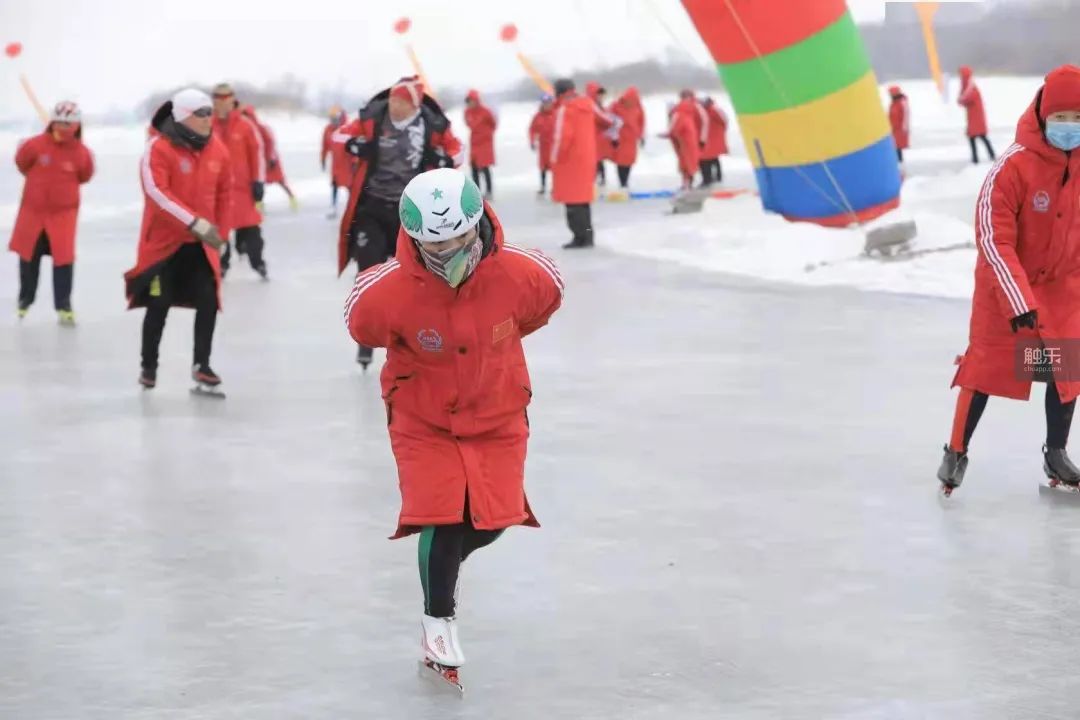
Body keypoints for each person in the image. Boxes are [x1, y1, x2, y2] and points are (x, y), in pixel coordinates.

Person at [343, 167, 563, 688]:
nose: (449, 253)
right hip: (423, 416)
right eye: (434, 245)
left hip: (497, 410)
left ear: (477, 223)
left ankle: (443, 564)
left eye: (460, 239)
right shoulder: (386, 289)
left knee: (492, 519)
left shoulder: (524, 273)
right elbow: (361, 324)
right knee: (441, 513)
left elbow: (544, 301)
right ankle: (437, 621)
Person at [938, 65, 1080, 495]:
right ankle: (956, 451)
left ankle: (1056, 453)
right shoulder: (1012, 168)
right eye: (1060, 119)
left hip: (1060, 291)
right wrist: (1019, 302)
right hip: (1005, 292)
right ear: (1042, 117)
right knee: (987, 368)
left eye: (1077, 119)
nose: (1069, 128)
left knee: (1066, 368)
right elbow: (993, 238)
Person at [332, 76, 464, 366]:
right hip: (372, 205)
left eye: (401, 101)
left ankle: (418, 334)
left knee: (416, 273)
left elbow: (459, 150)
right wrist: (355, 144)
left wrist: (444, 159)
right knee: (368, 269)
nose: (395, 105)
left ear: (414, 105)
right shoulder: (373, 117)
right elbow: (338, 135)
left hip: (411, 210)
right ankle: (366, 336)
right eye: (392, 99)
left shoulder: (432, 124)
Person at [123, 88, 231, 393]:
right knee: (159, 304)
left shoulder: (217, 150)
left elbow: (225, 193)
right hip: (164, 247)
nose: (209, 118)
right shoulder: (158, 148)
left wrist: (222, 233)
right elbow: (157, 193)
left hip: (200, 246)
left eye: (210, 112)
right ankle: (149, 366)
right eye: (201, 113)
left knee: (209, 301)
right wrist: (193, 222)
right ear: (183, 116)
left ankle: (202, 366)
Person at [9, 101, 94, 325]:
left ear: (77, 125)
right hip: (33, 214)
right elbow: (21, 163)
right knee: (29, 258)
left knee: (63, 262)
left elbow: (85, 175)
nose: (65, 127)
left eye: (69, 123)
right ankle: (25, 299)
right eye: (61, 122)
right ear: (52, 122)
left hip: (63, 217)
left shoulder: (81, 153)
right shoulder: (35, 146)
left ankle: (64, 306)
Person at [211, 83, 268, 279]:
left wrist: (258, 182)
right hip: (217, 191)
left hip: (243, 189)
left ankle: (258, 262)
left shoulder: (245, 125)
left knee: (252, 229)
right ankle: (221, 265)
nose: (221, 102)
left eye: (225, 97)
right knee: (219, 232)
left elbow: (257, 154)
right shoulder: (208, 125)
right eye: (217, 98)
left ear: (232, 99)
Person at [550, 78, 599, 249]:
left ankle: (579, 236)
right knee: (583, 203)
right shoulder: (587, 105)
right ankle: (587, 234)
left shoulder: (567, 109)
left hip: (570, 163)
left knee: (572, 204)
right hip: (586, 160)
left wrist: (554, 160)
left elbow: (562, 138)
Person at [241, 104, 297, 211]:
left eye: (246, 115)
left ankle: (292, 198)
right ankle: (259, 204)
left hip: (271, 161)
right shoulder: (246, 130)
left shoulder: (262, 128)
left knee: (281, 181)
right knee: (258, 183)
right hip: (259, 162)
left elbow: (271, 142)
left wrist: (271, 158)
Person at [321, 105, 355, 218]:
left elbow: (355, 147)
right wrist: (323, 159)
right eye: (331, 119)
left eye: (334, 119)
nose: (333, 121)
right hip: (336, 165)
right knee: (334, 186)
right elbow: (325, 146)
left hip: (347, 165)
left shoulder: (349, 128)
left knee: (350, 187)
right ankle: (333, 207)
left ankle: (352, 210)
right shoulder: (328, 130)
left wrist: (355, 162)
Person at [663, 92, 701, 191]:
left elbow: (673, 129)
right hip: (684, 141)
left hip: (685, 142)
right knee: (687, 162)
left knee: (687, 162)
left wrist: (667, 134)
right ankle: (687, 183)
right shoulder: (685, 113)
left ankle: (687, 183)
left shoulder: (678, 114)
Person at [463, 89, 497, 199]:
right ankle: (476, 192)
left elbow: (493, 123)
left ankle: (489, 191)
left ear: (476, 100)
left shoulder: (485, 111)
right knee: (474, 168)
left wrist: (487, 134)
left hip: (485, 143)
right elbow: (468, 123)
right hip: (474, 143)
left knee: (485, 167)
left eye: (471, 101)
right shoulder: (467, 112)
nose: (470, 103)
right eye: (468, 101)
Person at [958, 65, 995, 164]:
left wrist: (960, 100)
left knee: (978, 136)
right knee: (977, 136)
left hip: (976, 116)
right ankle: (982, 157)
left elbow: (966, 98)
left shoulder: (971, 87)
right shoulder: (968, 85)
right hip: (973, 115)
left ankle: (979, 159)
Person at [611, 87, 645, 189]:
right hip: (620, 137)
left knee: (630, 161)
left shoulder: (638, 107)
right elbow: (608, 119)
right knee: (621, 161)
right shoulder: (616, 106)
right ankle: (623, 183)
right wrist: (613, 137)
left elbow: (641, 121)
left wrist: (641, 135)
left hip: (632, 139)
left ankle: (625, 181)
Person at [528, 94, 556, 195]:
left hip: (554, 146)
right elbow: (532, 129)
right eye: (545, 103)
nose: (547, 105)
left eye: (548, 103)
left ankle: (555, 187)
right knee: (543, 168)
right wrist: (532, 141)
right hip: (543, 146)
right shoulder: (538, 116)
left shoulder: (556, 114)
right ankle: (543, 187)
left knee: (555, 168)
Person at [699, 96, 728, 187]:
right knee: (711, 158)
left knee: (706, 159)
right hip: (708, 138)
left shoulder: (714, 110)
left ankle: (709, 179)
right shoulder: (705, 111)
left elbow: (724, 121)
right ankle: (714, 178)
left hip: (711, 138)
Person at [888, 85, 911, 164]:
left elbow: (905, 115)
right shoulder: (894, 102)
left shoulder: (901, 102)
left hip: (899, 129)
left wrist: (903, 129)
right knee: (894, 147)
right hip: (894, 129)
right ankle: (896, 163)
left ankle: (899, 164)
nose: (890, 95)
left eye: (891, 93)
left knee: (897, 147)